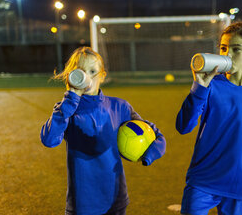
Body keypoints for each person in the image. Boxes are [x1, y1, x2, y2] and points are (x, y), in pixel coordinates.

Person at [41, 46, 166, 215]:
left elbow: (154, 134)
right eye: (81, 71)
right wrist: (70, 100)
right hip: (83, 204)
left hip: (116, 199)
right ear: (73, 76)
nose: (87, 77)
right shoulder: (66, 111)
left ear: (102, 75)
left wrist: (148, 155)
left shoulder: (120, 107)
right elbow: (49, 140)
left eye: (93, 71)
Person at [176, 21, 242, 215]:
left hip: (238, 184)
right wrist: (199, 88)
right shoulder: (210, 85)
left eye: (236, 49)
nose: (227, 55)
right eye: (223, 48)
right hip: (202, 180)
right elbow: (183, 126)